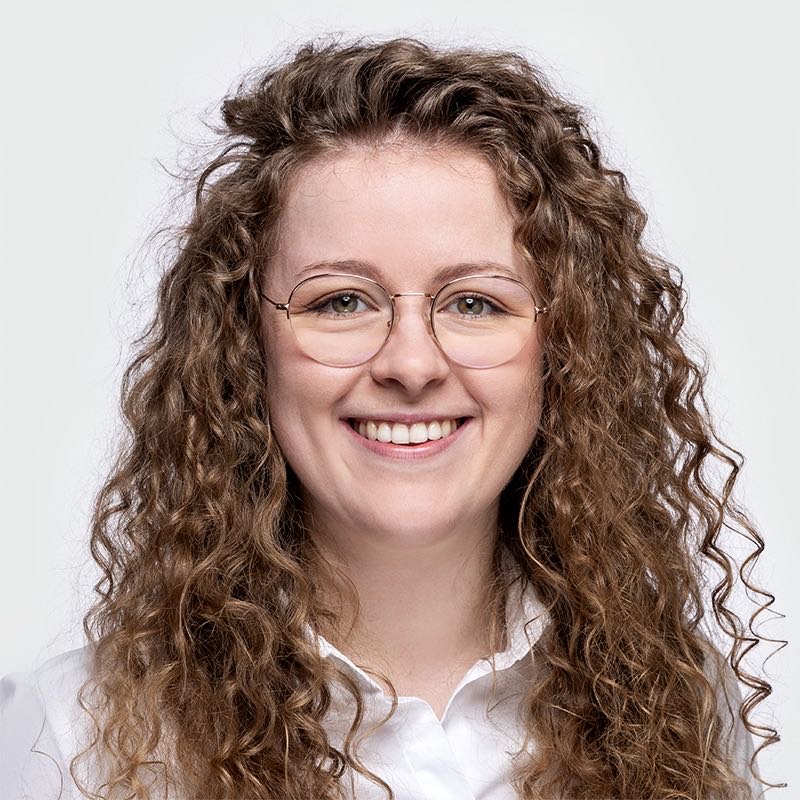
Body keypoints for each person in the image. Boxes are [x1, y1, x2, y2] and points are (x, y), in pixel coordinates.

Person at [0, 37, 781, 800]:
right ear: (245, 344)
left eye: (476, 302)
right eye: (341, 300)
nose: (411, 363)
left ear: (564, 348)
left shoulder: (681, 712)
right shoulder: (76, 741)